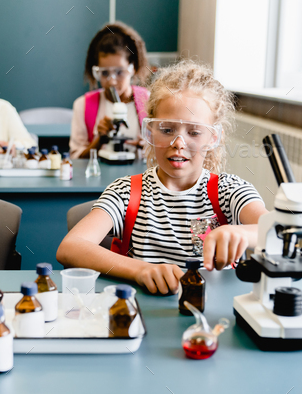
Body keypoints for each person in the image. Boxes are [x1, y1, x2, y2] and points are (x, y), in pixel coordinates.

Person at [57, 60, 268, 295]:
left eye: (194, 132)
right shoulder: (126, 192)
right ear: (149, 131)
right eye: (167, 130)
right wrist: (140, 270)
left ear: (213, 138)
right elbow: (70, 248)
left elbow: (277, 229)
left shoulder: (230, 191)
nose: (178, 143)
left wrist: (241, 232)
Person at [69, 22, 150, 159]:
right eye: (104, 73)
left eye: (119, 72)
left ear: (133, 67)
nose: (112, 81)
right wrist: (100, 140)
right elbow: (76, 160)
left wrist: (148, 148)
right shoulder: (83, 105)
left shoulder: (149, 102)